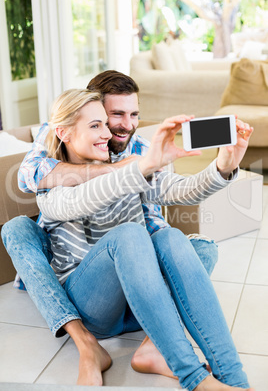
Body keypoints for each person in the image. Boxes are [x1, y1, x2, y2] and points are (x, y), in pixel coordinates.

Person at [2, 71, 219, 384]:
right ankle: (84, 341)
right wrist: (126, 171)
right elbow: (32, 177)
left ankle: (152, 346)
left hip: (138, 284)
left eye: (133, 115)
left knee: (196, 247)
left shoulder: (140, 147)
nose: (124, 126)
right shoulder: (55, 144)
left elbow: (172, 189)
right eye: (111, 116)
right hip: (94, 286)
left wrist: (224, 166)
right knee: (17, 228)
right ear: (94, 108)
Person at [34, 87, 254, 391]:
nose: (108, 133)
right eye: (96, 125)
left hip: (139, 302)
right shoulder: (49, 181)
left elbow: (179, 189)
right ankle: (196, 379)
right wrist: (141, 166)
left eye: (105, 125)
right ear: (64, 133)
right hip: (95, 309)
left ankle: (235, 380)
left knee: (172, 238)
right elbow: (82, 200)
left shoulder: (130, 167)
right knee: (130, 233)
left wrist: (224, 166)